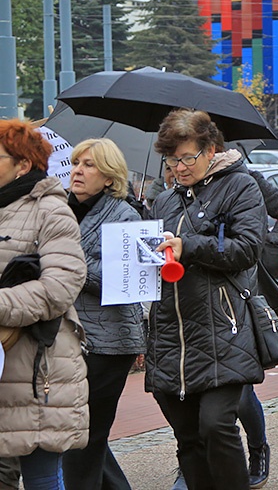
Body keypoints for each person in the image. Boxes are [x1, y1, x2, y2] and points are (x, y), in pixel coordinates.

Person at [148, 109, 267, 490]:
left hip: (224, 329)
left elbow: (247, 248)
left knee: (216, 425)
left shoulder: (240, 187)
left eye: (186, 158)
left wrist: (191, 246)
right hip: (173, 335)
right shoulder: (165, 202)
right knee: (187, 437)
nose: (178, 168)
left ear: (210, 149)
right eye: (171, 160)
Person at [0, 120, 88, 490]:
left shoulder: (51, 210)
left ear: (22, 164)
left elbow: (61, 286)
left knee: (41, 479)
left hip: (36, 370)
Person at [59, 139, 143, 490]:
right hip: (64, 339)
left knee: (84, 436)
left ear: (110, 178)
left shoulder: (126, 215)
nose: (78, 170)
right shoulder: (58, 208)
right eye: (76, 162)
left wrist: (68, 261)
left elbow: (124, 281)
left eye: (89, 165)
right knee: (80, 431)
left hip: (109, 342)